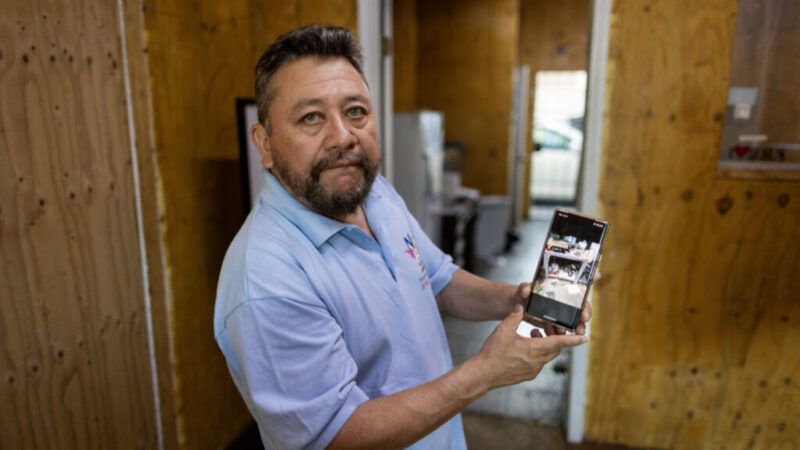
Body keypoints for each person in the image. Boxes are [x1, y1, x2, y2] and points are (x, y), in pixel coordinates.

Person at [214, 24, 591, 450]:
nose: (343, 137)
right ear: (263, 143)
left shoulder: (372, 191)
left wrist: (513, 299)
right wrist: (486, 371)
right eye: (311, 117)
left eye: (355, 111)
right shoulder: (266, 281)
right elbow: (335, 437)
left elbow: (438, 278)